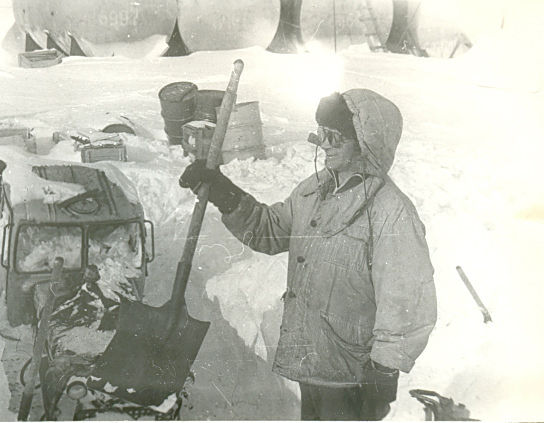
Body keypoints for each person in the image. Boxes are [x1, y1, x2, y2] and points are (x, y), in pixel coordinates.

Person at [179, 88, 437, 420]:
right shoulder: (313, 190)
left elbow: (406, 298)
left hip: (352, 376)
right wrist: (223, 191)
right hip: (311, 362)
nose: (324, 144)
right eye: (321, 133)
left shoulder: (390, 211)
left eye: (335, 137)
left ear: (365, 142)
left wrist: (384, 373)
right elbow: (269, 231)